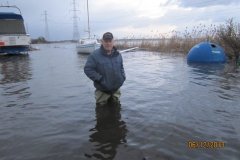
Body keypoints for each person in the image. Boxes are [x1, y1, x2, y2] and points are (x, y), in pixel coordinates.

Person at [84, 32, 126, 105]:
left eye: (110, 41)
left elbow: (121, 67)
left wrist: (122, 77)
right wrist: (100, 79)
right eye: (106, 41)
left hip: (116, 90)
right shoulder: (94, 55)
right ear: (102, 42)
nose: (108, 43)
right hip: (102, 92)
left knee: (117, 110)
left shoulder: (118, 55)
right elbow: (88, 69)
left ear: (113, 42)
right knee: (101, 113)